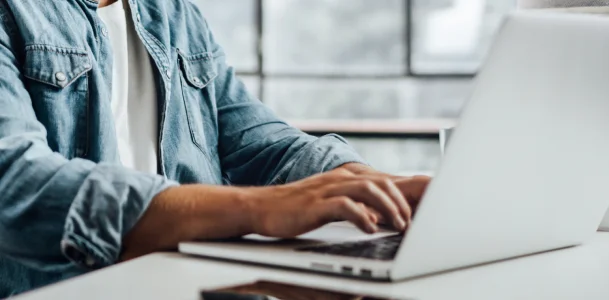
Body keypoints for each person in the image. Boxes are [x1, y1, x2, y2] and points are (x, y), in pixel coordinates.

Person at [0, 0, 430, 296]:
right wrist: (258, 208)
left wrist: (372, 184)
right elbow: (16, 184)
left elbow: (262, 143)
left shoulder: (171, 11)